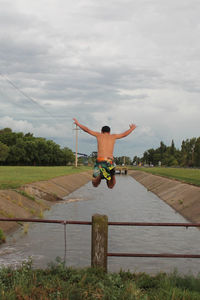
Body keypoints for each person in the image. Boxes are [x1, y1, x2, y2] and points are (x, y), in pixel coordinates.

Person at [73, 118, 136, 189]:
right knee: (110, 186)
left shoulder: (98, 135)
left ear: (101, 131)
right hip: (110, 161)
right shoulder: (113, 136)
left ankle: (99, 176)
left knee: (95, 184)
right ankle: (112, 176)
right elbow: (124, 134)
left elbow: (87, 130)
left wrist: (78, 124)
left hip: (100, 160)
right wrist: (132, 128)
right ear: (109, 132)